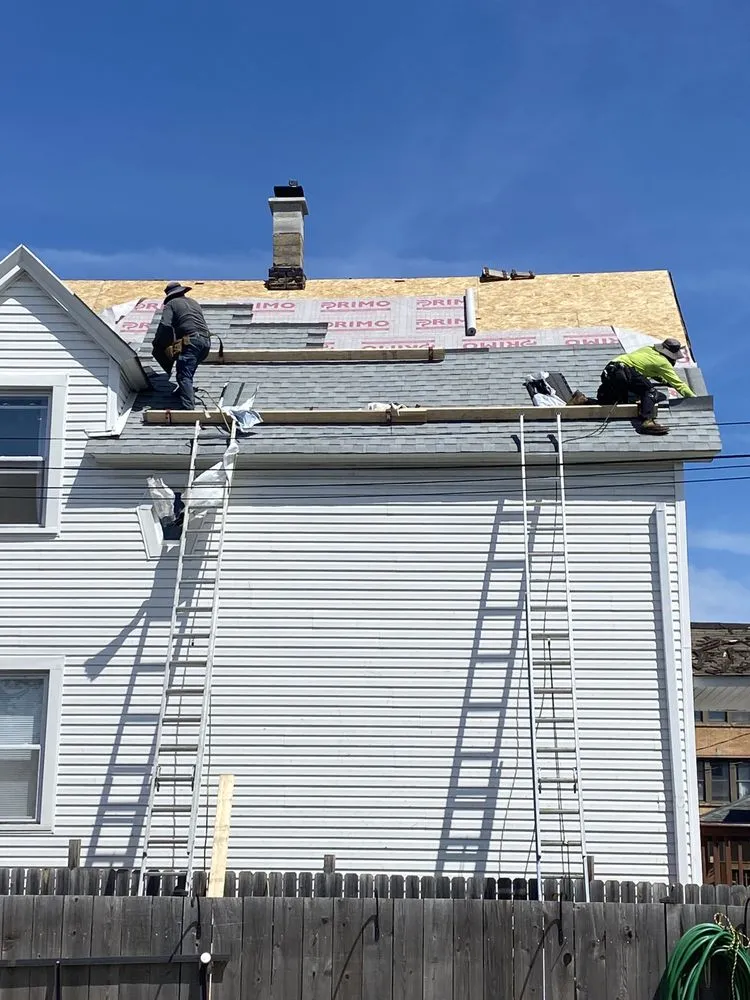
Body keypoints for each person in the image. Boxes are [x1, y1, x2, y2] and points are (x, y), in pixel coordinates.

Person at [595, 337, 696, 435]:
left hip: (609, 371)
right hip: (624, 372)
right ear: (671, 356)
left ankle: (583, 400)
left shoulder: (648, 349)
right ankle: (647, 422)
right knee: (650, 392)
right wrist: (694, 399)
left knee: (612, 402)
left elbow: (647, 368)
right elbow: (679, 385)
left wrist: (664, 381)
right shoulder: (663, 363)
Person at [151, 282, 212, 409]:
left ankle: (188, 407)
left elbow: (165, 325)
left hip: (192, 342)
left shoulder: (171, 304)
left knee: (184, 375)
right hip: (206, 343)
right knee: (187, 371)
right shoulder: (193, 302)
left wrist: (158, 343)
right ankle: (183, 391)